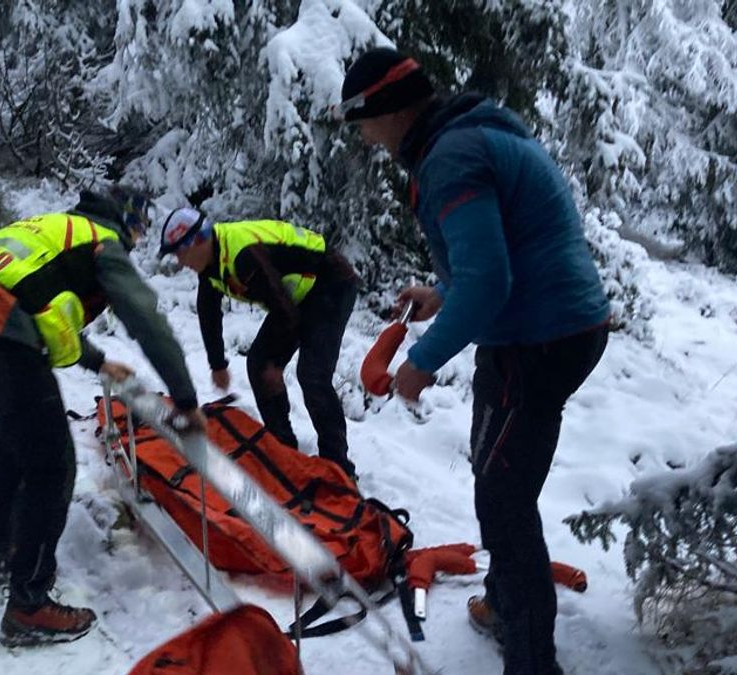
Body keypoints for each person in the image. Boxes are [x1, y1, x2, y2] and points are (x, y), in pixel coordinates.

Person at [339, 47, 611, 675]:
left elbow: (490, 281)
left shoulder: (452, 158)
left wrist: (422, 360)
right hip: (553, 328)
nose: (364, 137)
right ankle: (504, 601)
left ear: (386, 109)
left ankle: (532, 660)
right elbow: (498, 256)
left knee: (504, 500)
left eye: (362, 121)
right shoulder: (470, 134)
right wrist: (442, 296)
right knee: (504, 480)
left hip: (536, 340)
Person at [0, 186, 202, 647]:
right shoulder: (101, 240)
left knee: (23, 432)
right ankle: (30, 605)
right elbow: (146, 317)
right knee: (52, 463)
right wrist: (187, 399)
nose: (135, 238)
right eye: (138, 227)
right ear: (126, 221)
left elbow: (44, 310)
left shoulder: (53, 229)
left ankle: (4, 543)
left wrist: (96, 361)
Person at [158, 208, 359, 479]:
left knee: (312, 375)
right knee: (258, 364)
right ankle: (283, 449)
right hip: (295, 295)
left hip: (331, 282)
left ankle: (339, 467)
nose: (180, 262)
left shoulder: (243, 256)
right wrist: (217, 364)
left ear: (198, 241)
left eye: (180, 252)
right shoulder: (211, 263)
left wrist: (275, 366)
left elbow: (285, 312)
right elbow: (208, 311)